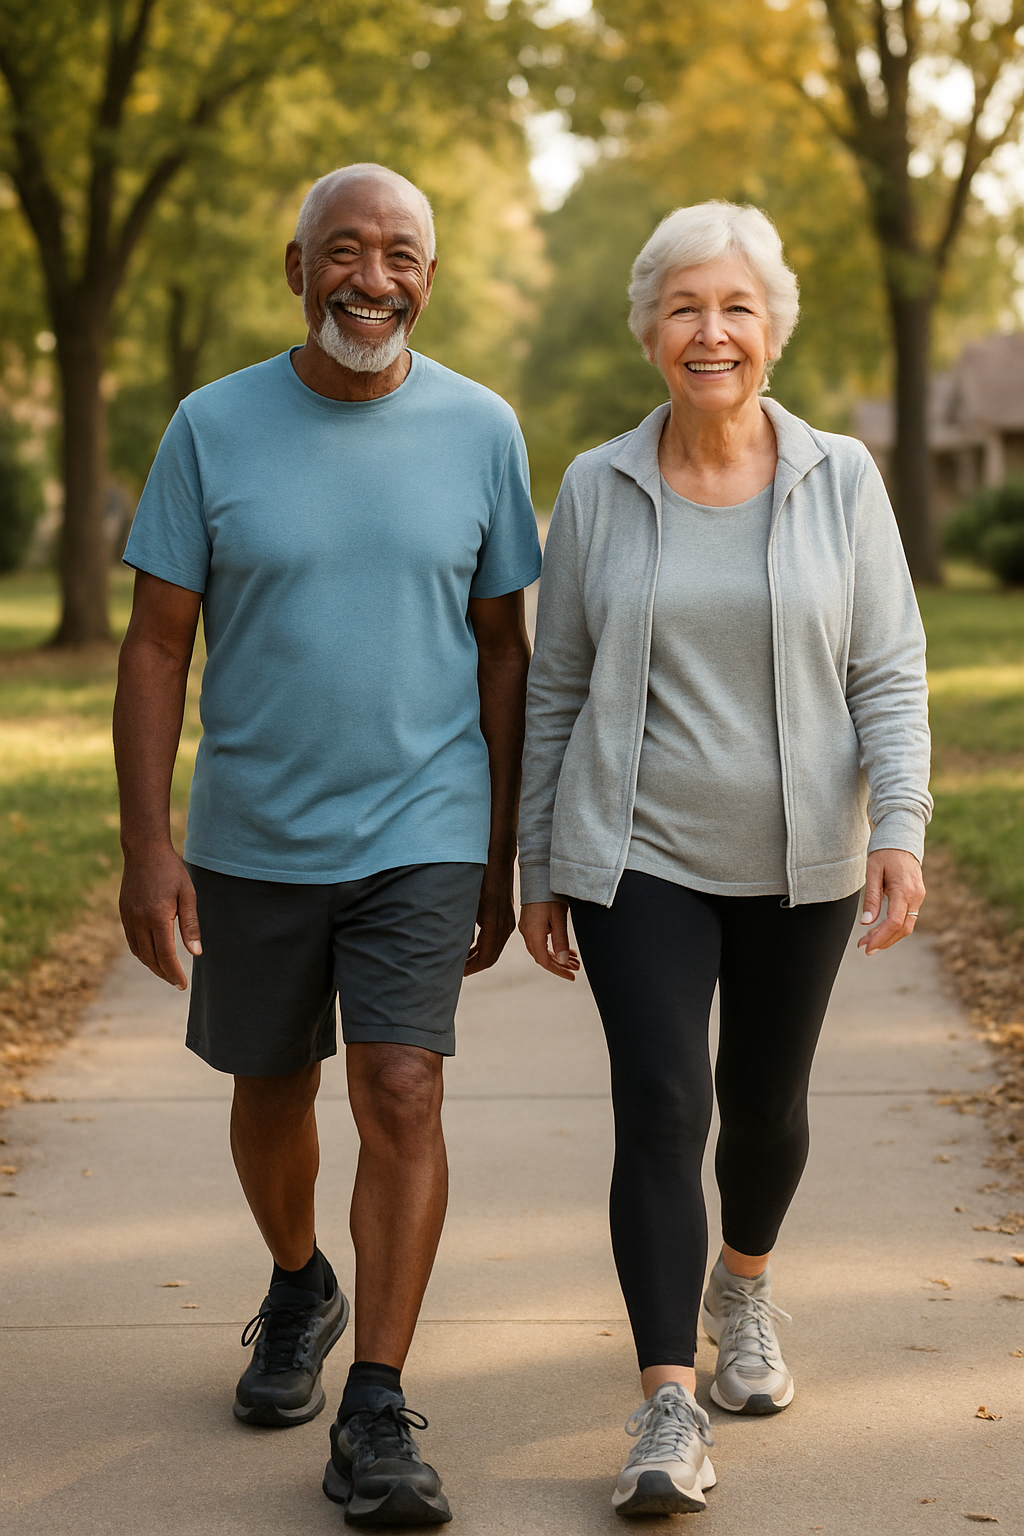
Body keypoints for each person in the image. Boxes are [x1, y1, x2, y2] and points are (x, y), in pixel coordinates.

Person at [113, 162, 540, 1527]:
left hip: (418, 827)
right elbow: (155, 642)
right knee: (271, 1086)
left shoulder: (484, 429)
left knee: (401, 1093)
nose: (373, 279)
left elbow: (504, 654)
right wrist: (146, 848)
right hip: (253, 833)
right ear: (297, 270)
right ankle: (299, 1281)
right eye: (343, 252)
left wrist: (494, 853)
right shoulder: (209, 426)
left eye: (400, 253)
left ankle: (377, 1404)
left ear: (431, 271)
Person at [517, 201, 930, 1518]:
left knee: (763, 1111)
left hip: (801, 859)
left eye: (737, 307)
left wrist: (898, 828)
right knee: (661, 1103)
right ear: (650, 331)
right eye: (687, 307)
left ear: (772, 331)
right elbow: (556, 685)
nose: (712, 332)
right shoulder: (597, 485)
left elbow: (889, 667)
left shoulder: (841, 478)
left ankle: (742, 1287)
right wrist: (540, 858)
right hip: (639, 854)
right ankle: (666, 1402)